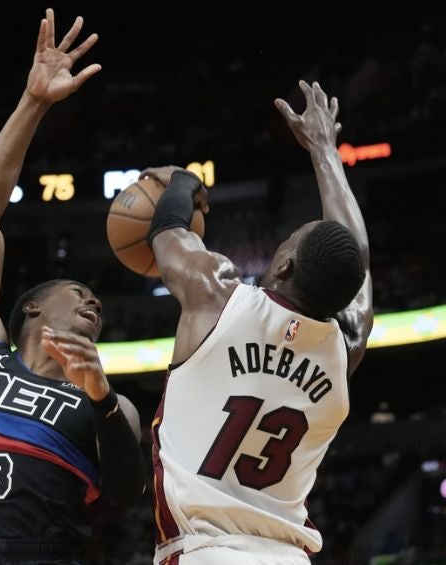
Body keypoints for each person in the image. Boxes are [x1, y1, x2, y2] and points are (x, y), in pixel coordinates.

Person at [0, 8, 145, 564]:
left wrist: (103, 397)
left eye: (95, 300)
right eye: (76, 292)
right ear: (30, 311)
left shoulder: (102, 402)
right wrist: (35, 102)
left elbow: (127, 491)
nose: (93, 301)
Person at [142, 80, 372, 564]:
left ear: (284, 265)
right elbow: (356, 256)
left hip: (204, 551)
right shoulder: (346, 345)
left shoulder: (217, 294)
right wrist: (325, 152)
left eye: (288, 240)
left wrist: (183, 182)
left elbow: (167, 232)